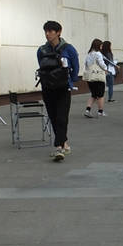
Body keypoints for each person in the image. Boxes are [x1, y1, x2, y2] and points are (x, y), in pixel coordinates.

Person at [36, 20, 79, 161]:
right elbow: (42, 67)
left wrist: (70, 82)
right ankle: (64, 143)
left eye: (50, 31)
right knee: (54, 117)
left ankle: (59, 147)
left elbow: (76, 68)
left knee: (62, 117)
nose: (47, 34)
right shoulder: (41, 50)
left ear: (59, 32)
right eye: (46, 31)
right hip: (47, 88)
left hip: (63, 88)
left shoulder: (69, 49)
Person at [83, 38, 109, 118]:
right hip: (98, 76)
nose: (101, 47)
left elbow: (86, 64)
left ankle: (88, 110)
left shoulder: (89, 54)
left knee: (93, 94)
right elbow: (101, 63)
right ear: (98, 45)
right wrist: (106, 69)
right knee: (101, 95)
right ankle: (100, 111)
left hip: (90, 77)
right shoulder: (98, 54)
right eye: (101, 45)